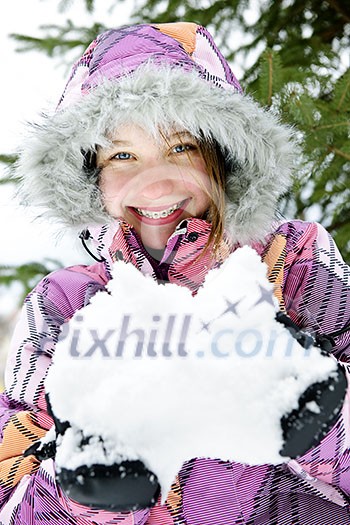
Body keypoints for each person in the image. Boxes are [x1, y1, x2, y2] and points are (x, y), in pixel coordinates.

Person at [0, 21, 349, 525]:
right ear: (90, 177)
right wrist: (84, 492)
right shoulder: (64, 307)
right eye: (122, 155)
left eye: (181, 147)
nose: (155, 184)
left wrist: (327, 422)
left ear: (223, 159)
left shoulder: (294, 264)